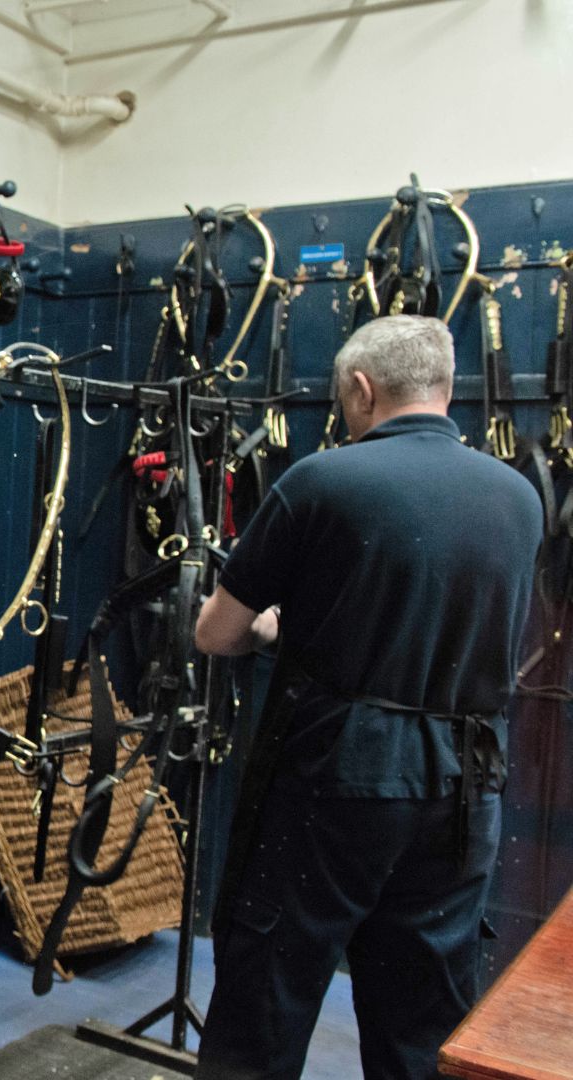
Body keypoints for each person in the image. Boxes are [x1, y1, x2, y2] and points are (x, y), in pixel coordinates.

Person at [193, 315, 542, 1080]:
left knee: (267, 998)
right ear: (446, 388)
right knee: (423, 1018)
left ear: (360, 388)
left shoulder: (322, 480)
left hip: (336, 775)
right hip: (464, 785)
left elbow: (217, 634)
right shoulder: (519, 498)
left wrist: (269, 632)